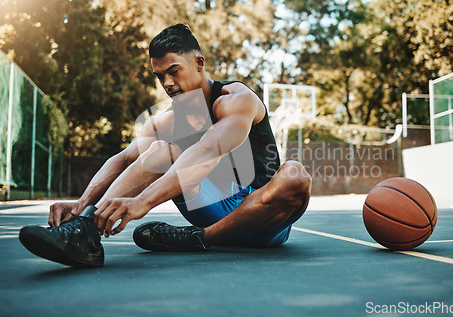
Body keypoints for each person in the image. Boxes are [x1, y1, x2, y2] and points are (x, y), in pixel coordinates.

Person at [19, 24, 311, 267]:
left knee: (295, 173)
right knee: (161, 151)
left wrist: (143, 202)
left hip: (263, 218)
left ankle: (197, 238)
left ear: (199, 63)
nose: (168, 83)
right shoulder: (165, 122)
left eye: (174, 71)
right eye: (160, 76)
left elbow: (209, 151)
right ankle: (84, 234)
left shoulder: (235, 100)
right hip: (211, 207)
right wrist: (83, 205)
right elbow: (123, 160)